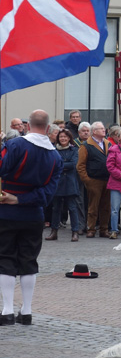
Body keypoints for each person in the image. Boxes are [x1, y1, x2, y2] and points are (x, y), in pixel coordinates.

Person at [0, 110, 62, 327]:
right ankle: (26, 311)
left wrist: (14, 199)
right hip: (34, 213)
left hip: (5, 210)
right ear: (47, 129)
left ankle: (7, 311)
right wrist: (21, 199)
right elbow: (47, 194)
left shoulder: (15, 146)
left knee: (5, 258)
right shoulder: (56, 157)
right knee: (28, 260)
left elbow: (2, 168)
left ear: (27, 125)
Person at [76, 121, 111, 238]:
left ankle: (104, 229)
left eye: (103, 128)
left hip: (108, 179)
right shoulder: (86, 145)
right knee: (93, 206)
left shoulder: (108, 143)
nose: (104, 130)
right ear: (94, 131)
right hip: (94, 180)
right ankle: (91, 229)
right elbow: (80, 165)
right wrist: (87, 181)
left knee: (106, 206)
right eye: (101, 129)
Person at [47, 129, 81, 242]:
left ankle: (75, 232)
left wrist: (60, 165)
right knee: (56, 208)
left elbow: (73, 164)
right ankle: (54, 231)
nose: (63, 139)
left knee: (72, 208)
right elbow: (51, 164)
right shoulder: (53, 150)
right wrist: (63, 165)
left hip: (70, 182)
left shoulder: (74, 150)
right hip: (57, 182)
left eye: (65, 137)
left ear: (69, 138)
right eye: (61, 137)